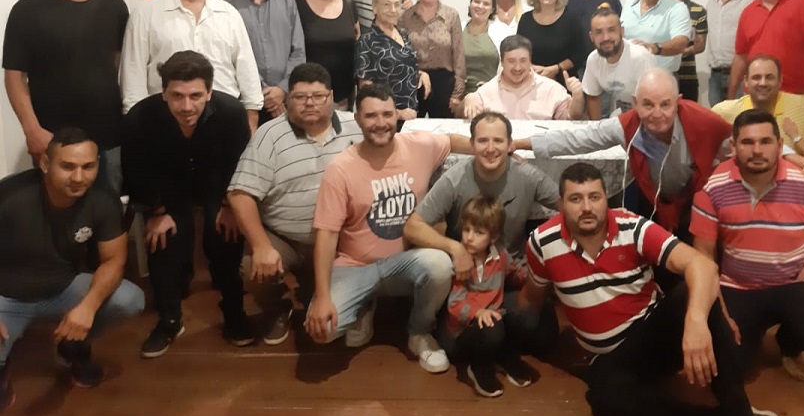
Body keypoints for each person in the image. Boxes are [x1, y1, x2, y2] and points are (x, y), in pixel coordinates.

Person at [520, 162, 787, 416]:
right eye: (576, 199)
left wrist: (695, 322)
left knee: (692, 294)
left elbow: (703, 266)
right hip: (610, 359)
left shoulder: (632, 227)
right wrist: (515, 333)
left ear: (606, 199)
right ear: (561, 203)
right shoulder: (542, 242)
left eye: (594, 197)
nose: (586, 207)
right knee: (605, 399)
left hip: (652, 334)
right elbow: (531, 298)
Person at [303, 84, 472, 372]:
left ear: (397, 116)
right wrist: (321, 297)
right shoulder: (340, 169)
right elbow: (326, 235)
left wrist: (498, 150)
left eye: (387, 114)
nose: (380, 123)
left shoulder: (418, 145)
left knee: (440, 265)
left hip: (405, 263)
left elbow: (452, 141)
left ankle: (419, 332)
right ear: (358, 119)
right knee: (322, 331)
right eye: (371, 116)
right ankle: (364, 305)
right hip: (355, 266)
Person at [691, 109, 804, 382]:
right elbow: (704, 255)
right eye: (747, 142)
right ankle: (751, 335)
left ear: (780, 146)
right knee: (728, 368)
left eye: (765, 141)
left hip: (794, 283)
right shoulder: (713, 188)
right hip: (738, 288)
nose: (757, 150)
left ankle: (789, 342)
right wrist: (720, 312)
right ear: (733, 147)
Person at [0, 129, 145, 406]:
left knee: (130, 299)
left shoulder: (103, 200)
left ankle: (73, 345)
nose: (79, 177)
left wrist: (87, 308)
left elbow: (114, 260)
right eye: (67, 166)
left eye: (88, 167)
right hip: (6, 297)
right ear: (45, 163)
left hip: (63, 289)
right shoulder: (10, 194)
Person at [122, 51, 252, 358]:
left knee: (225, 234)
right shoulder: (140, 117)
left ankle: (234, 311)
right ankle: (169, 319)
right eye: (177, 96)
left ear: (209, 92)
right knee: (163, 240)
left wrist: (230, 207)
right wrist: (156, 211)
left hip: (216, 182)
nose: (186, 106)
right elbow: (135, 170)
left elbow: (241, 165)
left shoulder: (232, 113)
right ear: (164, 93)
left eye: (195, 96)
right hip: (167, 185)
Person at [404, 110, 561, 356]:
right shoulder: (456, 179)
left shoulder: (527, 175)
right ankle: (487, 343)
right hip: (468, 281)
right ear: (471, 145)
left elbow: (566, 205)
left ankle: (498, 340)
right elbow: (413, 226)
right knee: (468, 343)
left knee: (544, 334)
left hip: (508, 274)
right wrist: (455, 248)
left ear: (510, 144)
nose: (490, 148)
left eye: (498, 141)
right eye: (482, 141)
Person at [227, 63, 363, 346]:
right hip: (285, 237)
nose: (309, 103)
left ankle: (331, 293)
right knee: (252, 266)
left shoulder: (356, 126)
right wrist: (262, 246)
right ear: (288, 99)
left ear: (332, 97)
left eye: (318, 96)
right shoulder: (268, 135)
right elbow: (240, 194)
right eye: (300, 97)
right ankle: (279, 307)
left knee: (329, 327)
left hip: (340, 238)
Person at [514, 68, 731, 244]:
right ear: (635, 103)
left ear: (678, 102)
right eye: (648, 104)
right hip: (656, 204)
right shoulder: (628, 125)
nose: (657, 113)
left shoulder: (706, 121)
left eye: (665, 104)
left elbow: (737, 147)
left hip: (700, 206)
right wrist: (520, 143)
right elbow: (579, 138)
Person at [3, 0, 128, 192]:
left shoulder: (114, 6)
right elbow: (14, 76)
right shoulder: (28, 10)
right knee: (57, 209)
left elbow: (120, 66)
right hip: (52, 138)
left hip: (109, 138)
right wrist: (32, 130)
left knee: (110, 207)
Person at [120, 0, 263, 132]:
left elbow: (246, 68)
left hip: (223, 120)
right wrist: (137, 122)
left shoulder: (229, 14)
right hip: (163, 119)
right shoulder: (146, 13)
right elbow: (132, 72)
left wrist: (252, 115)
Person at [439, 195, 533, 397]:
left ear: (493, 237)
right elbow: (455, 305)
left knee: (522, 308)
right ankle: (478, 367)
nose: (469, 237)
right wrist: (477, 312)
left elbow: (515, 272)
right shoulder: (460, 261)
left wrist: (534, 275)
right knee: (492, 327)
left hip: (491, 319)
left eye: (478, 232)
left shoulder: (500, 256)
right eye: (466, 230)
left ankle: (506, 358)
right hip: (460, 333)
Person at [221, 0, 307, 124]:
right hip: (242, 103)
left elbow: (298, 52)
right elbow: (225, 55)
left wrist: (282, 89)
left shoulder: (287, 1)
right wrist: (262, 92)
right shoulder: (224, 4)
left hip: (283, 101)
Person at [713, 55, 804, 158]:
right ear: (746, 81)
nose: (763, 83)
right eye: (756, 77)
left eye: (769, 77)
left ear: (780, 81)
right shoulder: (723, 112)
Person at [462, 35, 584, 121]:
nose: (518, 67)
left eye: (523, 61)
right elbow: (464, 117)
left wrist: (577, 95)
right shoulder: (485, 91)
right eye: (511, 61)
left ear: (530, 61)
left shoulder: (551, 89)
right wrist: (468, 98)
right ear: (502, 62)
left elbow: (572, 117)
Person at [294, 0, 359, 109]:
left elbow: (357, 37)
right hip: (307, 100)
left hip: (343, 98)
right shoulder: (294, 2)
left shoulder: (349, 2)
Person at [400, 0, 466, 118]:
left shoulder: (451, 15)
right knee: (412, 129)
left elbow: (459, 55)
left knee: (444, 130)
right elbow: (401, 54)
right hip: (414, 81)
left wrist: (457, 93)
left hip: (444, 84)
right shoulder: (405, 17)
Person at [355, 0, 428, 122]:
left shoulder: (403, 34)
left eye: (397, 5)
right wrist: (396, 113)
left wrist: (421, 74)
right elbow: (366, 90)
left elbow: (401, 65)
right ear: (374, 7)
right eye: (387, 5)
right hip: (385, 119)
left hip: (411, 114)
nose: (393, 10)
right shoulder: (367, 42)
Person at [581, 6, 657, 119]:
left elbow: (653, 101)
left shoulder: (640, 57)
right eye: (599, 32)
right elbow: (593, 96)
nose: (606, 38)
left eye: (611, 30)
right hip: (619, 117)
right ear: (591, 37)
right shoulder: (593, 59)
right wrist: (596, 127)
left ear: (622, 31)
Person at [620, 0, 691, 73]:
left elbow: (681, 43)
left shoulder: (677, 8)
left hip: (660, 77)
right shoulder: (629, 3)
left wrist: (655, 48)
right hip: (628, 75)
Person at [517, 0, 587, 81]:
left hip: (565, 82)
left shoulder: (572, 18)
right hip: (532, 80)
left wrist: (556, 68)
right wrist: (532, 68)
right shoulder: (525, 19)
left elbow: (580, 54)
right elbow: (518, 51)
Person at [706, 0, 757, 105]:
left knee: (741, 114)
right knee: (716, 116)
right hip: (715, 74)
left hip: (742, 73)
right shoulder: (711, 3)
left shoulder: (751, 0)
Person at [668, 0, 708, 101]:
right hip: (662, 75)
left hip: (687, 76)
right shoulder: (656, 10)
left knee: (688, 113)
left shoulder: (698, 11)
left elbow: (700, 45)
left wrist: (681, 51)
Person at [462, 0, 500, 94]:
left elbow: (509, 66)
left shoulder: (502, 31)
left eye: (486, 4)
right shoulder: (458, 28)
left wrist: (493, 85)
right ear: (470, 3)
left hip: (493, 93)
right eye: (477, 2)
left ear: (492, 9)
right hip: (459, 94)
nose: (480, 6)